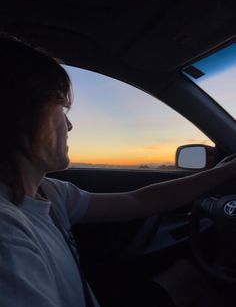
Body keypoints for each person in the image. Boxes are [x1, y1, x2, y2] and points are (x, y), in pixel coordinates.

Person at [0, 34, 235, 307]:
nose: (70, 125)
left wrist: (223, 173)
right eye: (60, 109)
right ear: (18, 115)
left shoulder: (48, 193)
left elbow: (138, 201)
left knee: (188, 278)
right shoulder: (7, 235)